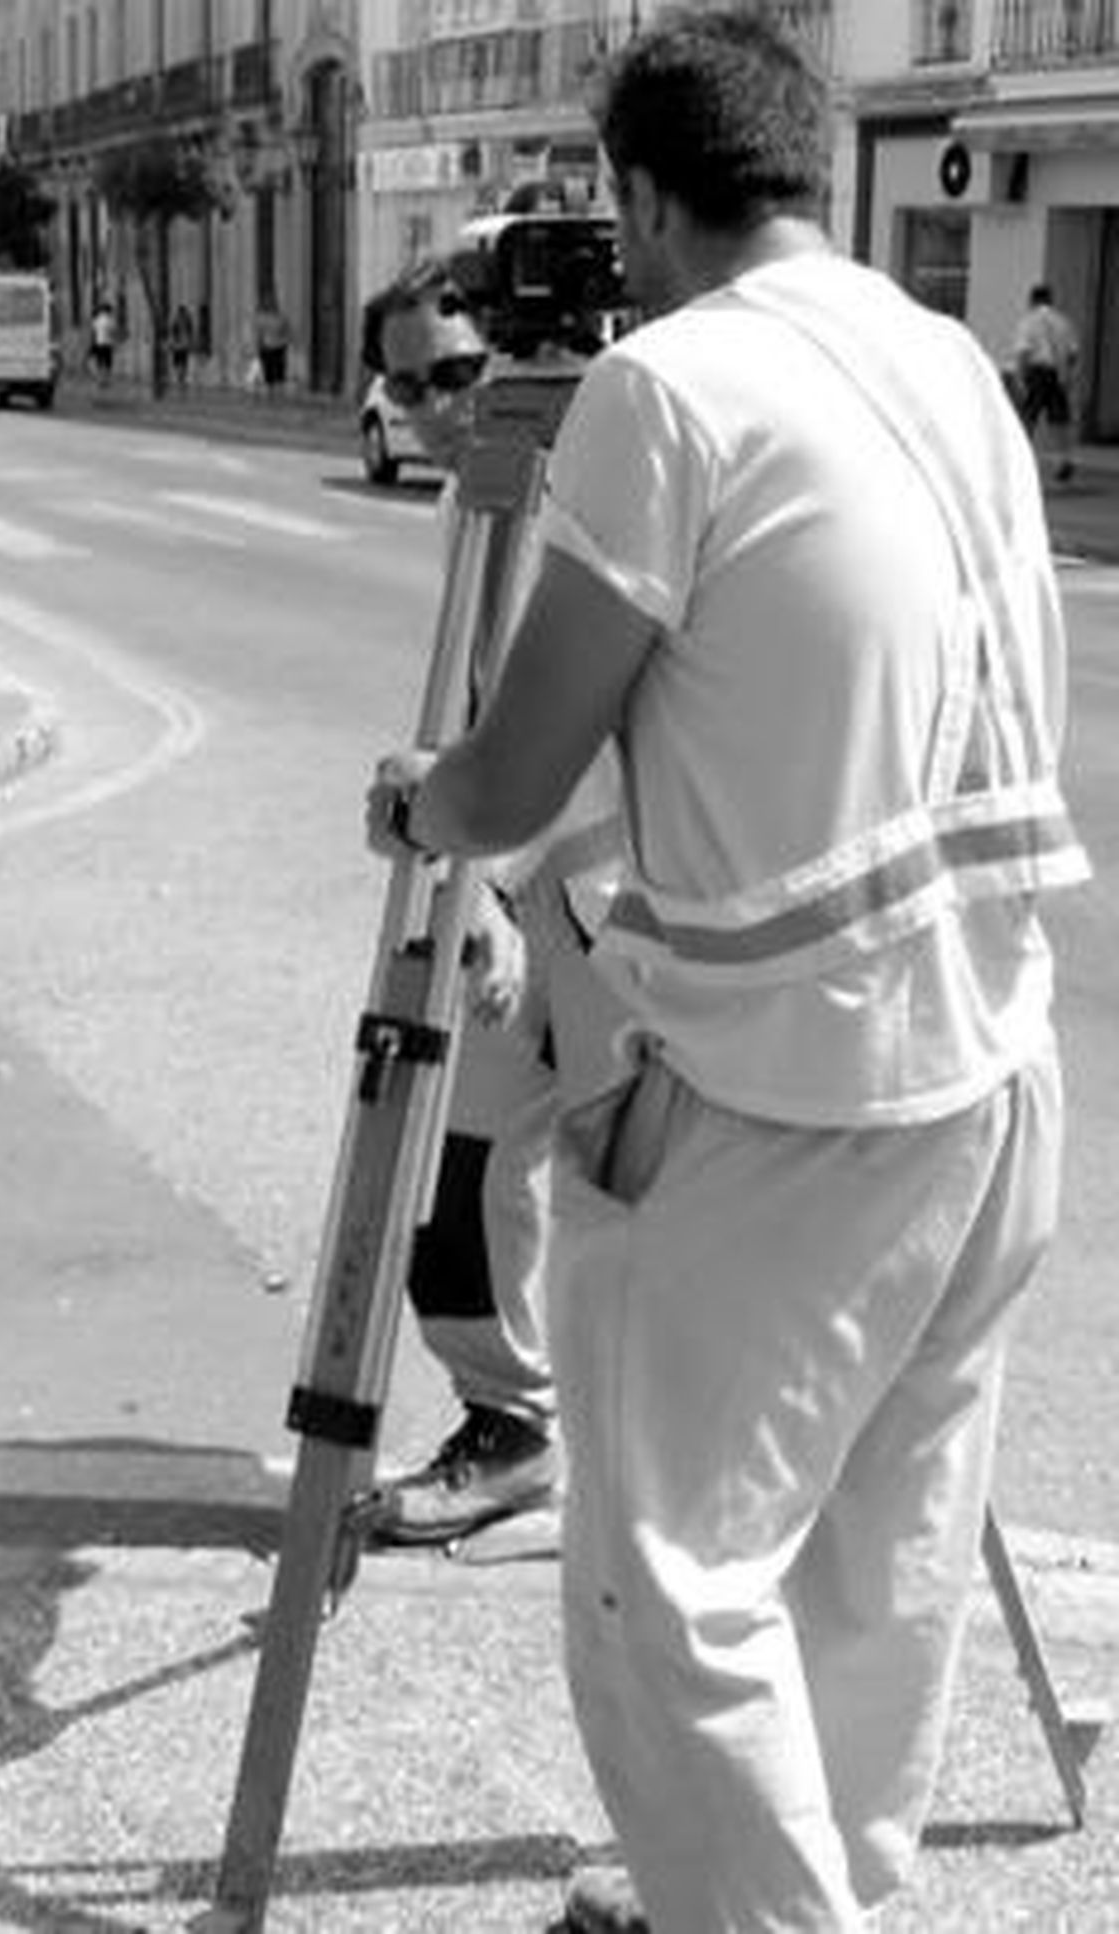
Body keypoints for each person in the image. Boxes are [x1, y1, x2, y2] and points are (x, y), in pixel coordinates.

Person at [365, 12, 1089, 1932]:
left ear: (645, 195)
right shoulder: (944, 357)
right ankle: (806, 1888)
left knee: (668, 1587)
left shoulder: (668, 390)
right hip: (995, 1070)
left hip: (792, 1095)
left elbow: (518, 769)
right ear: (813, 164)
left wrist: (427, 798)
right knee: (878, 1566)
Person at [359, 264, 630, 1546]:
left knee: (664, 1200)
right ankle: (510, 1426)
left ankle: (677, 1468)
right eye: (409, 382)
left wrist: (496, 881)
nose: (437, 406)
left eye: (460, 372)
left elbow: (585, 737)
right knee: (453, 1177)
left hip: (617, 898)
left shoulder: (605, 498)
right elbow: (480, 716)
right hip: (514, 885)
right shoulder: (468, 515)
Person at [1013, 282, 1079, 484]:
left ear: (1033, 300)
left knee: (1028, 418)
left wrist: (1020, 377)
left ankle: (1020, 461)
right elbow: (1073, 353)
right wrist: (1067, 375)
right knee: (1060, 420)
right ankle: (1065, 460)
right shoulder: (1063, 322)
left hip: (1036, 372)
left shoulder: (1029, 321)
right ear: (1050, 300)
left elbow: (1023, 352)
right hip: (1058, 373)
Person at [254, 296, 290, 390]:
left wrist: (285, 341)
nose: (271, 306)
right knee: (269, 371)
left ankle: (278, 388)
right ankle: (271, 389)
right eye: (268, 304)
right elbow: (259, 333)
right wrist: (259, 345)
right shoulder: (261, 318)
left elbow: (286, 330)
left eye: (272, 304)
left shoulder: (281, 317)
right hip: (267, 346)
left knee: (279, 370)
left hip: (279, 346)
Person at [89, 297, 117, 387]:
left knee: (99, 363)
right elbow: (112, 331)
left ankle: (100, 381)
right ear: (108, 311)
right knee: (108, 364)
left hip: (99, 343)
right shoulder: (109, 320)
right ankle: (106, 381)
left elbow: (93, 330)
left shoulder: (97, 319)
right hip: (107, 344)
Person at [168, 302, 195, 389]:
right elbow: (173, 333)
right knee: (180, 363)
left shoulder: (182, 321)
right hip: (180, 345)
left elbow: (189, 332)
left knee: (181, 362)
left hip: (181, 345)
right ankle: (180, 379)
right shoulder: (182, 321)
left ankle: (181, 379)